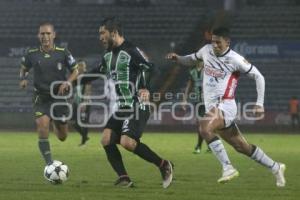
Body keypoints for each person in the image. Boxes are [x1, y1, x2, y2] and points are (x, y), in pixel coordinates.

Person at [166, 27, 286, 187]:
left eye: (218, 42)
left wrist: (259, 104)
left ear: (227, 42)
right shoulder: (206, 50)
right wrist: (178, 58)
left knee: (204, 127)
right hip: (213, 107)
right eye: (213, 41)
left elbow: (259, 76)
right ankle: (275, 167)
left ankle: (228, 168)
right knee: (242, 147)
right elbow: (191, 59)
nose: (214, 45)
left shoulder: (235, 59)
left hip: (225, 105)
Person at [82, 17, 173, 188]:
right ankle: (124, 177)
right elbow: (95, 72)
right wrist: (71, 82)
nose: (100, 37)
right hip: (123, 106)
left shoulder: (131, 50)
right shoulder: (108, 55)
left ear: (114, 33)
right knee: (107, 139)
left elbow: (150, 67)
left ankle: (164, 165)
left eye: (103, 33)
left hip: (138, 103)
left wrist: (145, 87)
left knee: (127, 142)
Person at [19, 22, 78, 165]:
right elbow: (24, 68)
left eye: (48, 33)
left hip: (59, 98)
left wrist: (68, 82)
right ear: (38, 35)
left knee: (63, 136)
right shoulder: (31, 54)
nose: (45, 36)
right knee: (41, 125)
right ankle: (50, 164)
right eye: (42, 34)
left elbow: (75, 70)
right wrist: (23, 78)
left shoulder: (63, 52)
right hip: (41, 97)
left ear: (54, 35)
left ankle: (55, 122)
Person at [182, 61, 210, 154]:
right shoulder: (192, 71)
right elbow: (189, 86)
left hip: (208, 101)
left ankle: (201, 146)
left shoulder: (208, 70)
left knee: (207, 125)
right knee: (200, 124)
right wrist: (184, 100)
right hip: (198, 101)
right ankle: (203, 146)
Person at [72, 60, 91, 146]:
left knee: (84, 122)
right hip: (76, 102)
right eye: (80, 65)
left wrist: (85, 102)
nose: (82, 67)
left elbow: (88, 90)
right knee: (73, 122)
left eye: (83, 65)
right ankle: (85, 136)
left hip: (85, 103)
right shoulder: (75, 77)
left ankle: (83, 141)